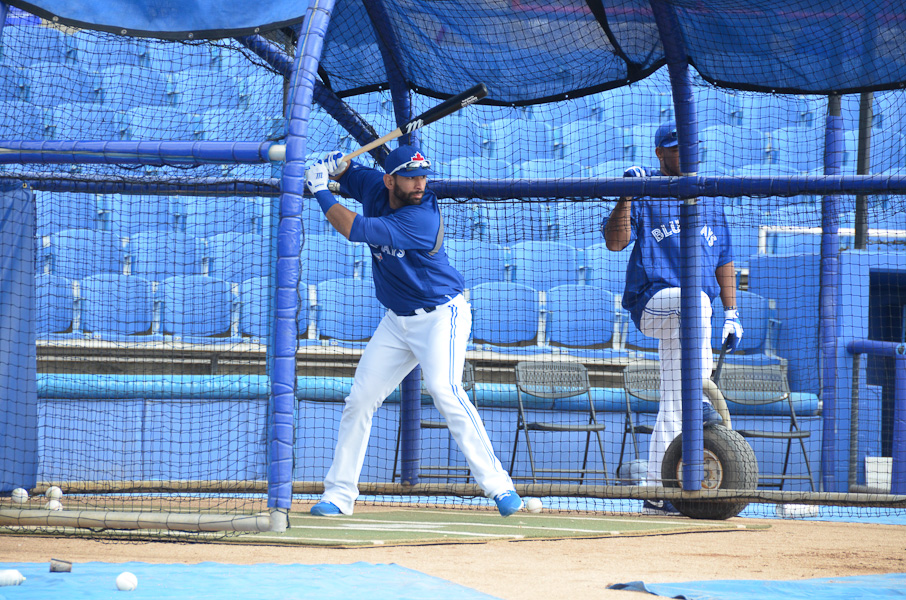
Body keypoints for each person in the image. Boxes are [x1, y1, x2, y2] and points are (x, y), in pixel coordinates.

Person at [303, 144, 523, 517]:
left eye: (422, 175)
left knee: (444, 389)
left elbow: (353, 229)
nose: (420, 183)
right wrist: (338, 165)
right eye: (410, 176)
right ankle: (339, 496)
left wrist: (322, 190)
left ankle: (500, 486)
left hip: (441, 316)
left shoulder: (422, 217)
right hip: (397, 320)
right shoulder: (376, 186)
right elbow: (350, 174)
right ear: (391, 180)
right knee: (359, 400)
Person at [601, 121, 743, 515]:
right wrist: (627, 196)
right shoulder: (646, 188)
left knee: (673, 400)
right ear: (660, 152)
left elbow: (725, 259)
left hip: (694, 315)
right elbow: (615, 243)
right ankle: (700, 393)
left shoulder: (710, 196)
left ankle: (655, 487)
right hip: (652, 304)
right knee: (695, 301)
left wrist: (731, 312)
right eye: (677, 148)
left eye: (691, 146)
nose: (686, 153)